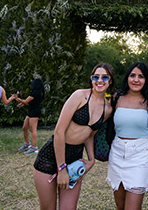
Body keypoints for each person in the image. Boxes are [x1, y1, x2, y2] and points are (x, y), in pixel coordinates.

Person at [32, 63, 114, 210]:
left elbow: (89, 135)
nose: (99, 80)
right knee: (48, 208)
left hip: (74, 160)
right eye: (96, 76)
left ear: (110, 80)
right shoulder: (79, 96)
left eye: (104, 77)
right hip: (51, 158)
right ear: (91, 79)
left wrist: (91, 160)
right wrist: (61, 168)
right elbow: (59, 132)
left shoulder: (107, 109)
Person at [107, 61, 148, 210]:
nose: (136, 80)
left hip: (140, 155)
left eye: (141, 76)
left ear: (145, 80)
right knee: (120, 205)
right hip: (117, 152)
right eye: (133, 75)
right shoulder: (117, 97)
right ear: (127, 78)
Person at [16, 78, 45, 155]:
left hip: (35, 112)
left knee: (33, 130)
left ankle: (34, 148)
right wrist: (22, 103)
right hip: (31, 111)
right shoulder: (38, 93)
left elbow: (26, 101)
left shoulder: (35, 93)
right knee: (25, 127)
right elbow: (30, 102)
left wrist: (16, 98)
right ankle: (26, 144)